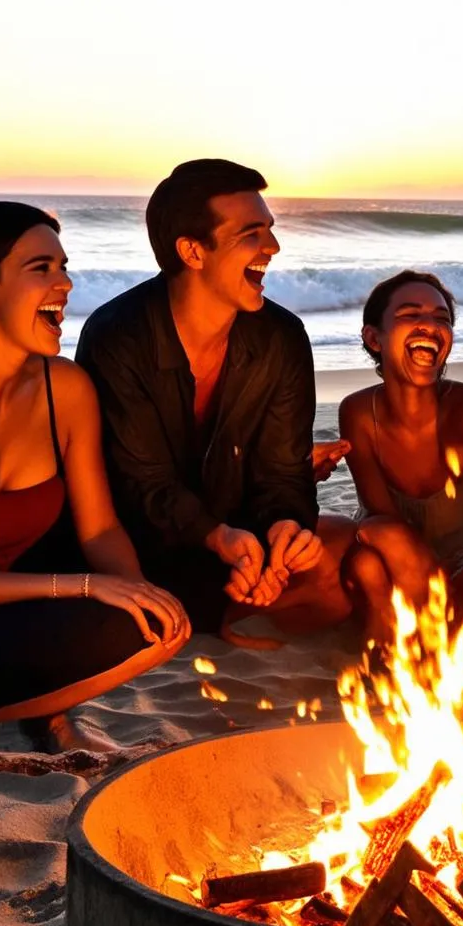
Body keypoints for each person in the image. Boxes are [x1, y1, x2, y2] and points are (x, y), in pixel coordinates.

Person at [76, 160, 355, 638]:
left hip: (239, 543)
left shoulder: (281, 337)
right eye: (251, 233)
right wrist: (216, 536)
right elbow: (142, 485)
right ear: (192, 251)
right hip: (139, 552)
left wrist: (284, 529)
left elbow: (283, 471)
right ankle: (217, 617)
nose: (273, 247)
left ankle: (236, 613)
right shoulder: (117, 337)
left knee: (347, 554)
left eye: (270, 229)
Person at [0, 202, 191, 771]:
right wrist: (82, 586)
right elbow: (76, 579)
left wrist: (137, 594)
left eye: (64, 267)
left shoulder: (64, 388)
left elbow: (100, 526)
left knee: (149, 625)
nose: (65, 284)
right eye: (41, 268)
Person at [332, 270, 463, 650]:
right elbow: (385, 526)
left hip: (462, 573)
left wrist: (462, 584)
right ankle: (396, 654)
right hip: (392, 573)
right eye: (410, 314)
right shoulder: (358, 412)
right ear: (373, 338)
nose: (429, 326)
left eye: (441, 319)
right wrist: (418, 574)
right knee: (370, 558)